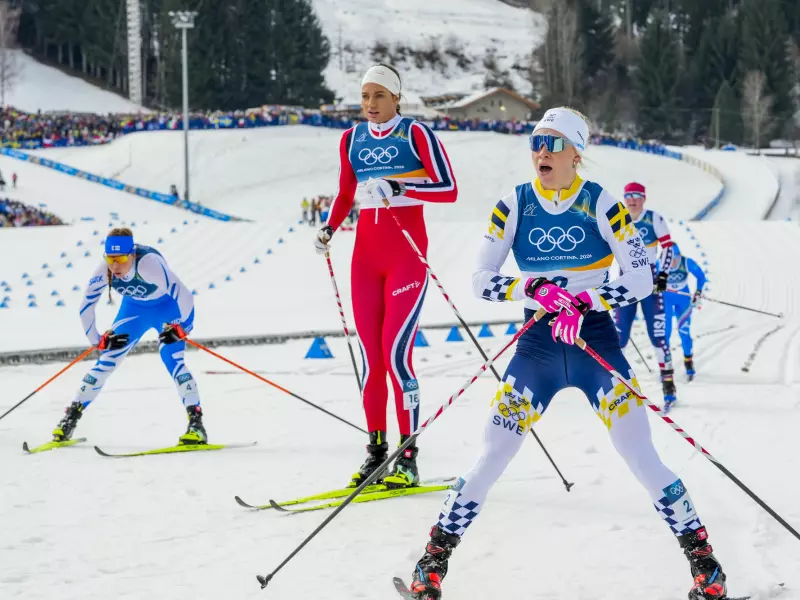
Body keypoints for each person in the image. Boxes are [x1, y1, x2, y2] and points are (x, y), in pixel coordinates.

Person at [405, 108, 727, 600]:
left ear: (578, 153)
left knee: (640, 455)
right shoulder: (513, 203)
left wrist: (584, 300)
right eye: (536, 142)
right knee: (493, 453)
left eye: (553, 144)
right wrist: (534, 287)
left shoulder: (603, 203)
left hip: (594, 341)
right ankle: (432, 564)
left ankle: (706, 567)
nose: (541, 152)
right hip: (538, 345)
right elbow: (480, 280)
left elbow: (639, 278)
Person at [314, 63, 457, 489]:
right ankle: (376, 454)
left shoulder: (415, 134)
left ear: (396, 97)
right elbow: (345, 193)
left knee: (397, 357)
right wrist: (328, 227)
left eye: (379, 96)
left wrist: (399, 187)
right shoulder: (351, 139)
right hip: (365, 258)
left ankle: (408, 457)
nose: (371, 105)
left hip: (406, 257)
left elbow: (448, 187)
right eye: (364, 97)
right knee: (372, 361)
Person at [51, 227, 205, 445]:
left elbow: (185, 296)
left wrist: (183, 328)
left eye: (121, 259)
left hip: (166, 308)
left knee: (172, 359)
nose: (115, 266)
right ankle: (70, 418)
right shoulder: (103, 270)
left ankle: (196, 425)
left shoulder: (148, 264)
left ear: (132, 254)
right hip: (134, 311)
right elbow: (86, 306)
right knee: (107, 360)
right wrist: (98, 340)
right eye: (110, 259)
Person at [613, 181, 677, 405]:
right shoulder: (619, 218)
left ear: (643, 199)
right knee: (618, 337)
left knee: (657, 336)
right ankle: (614, 384)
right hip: (626, 281)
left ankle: (668, 383)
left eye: (636, 196)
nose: (631, 200)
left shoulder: (653, 219)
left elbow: (669, 247)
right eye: (628, 196)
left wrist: (663, 275)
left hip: (650, 280)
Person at [661, 243, 706, 383]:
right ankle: (666, 367)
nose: (673, 262)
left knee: (684, 332)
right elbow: (647, 278)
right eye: (670, 259)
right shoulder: (659, 263)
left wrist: (698, 292)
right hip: (666, 300)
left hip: (683, 300)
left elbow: (701, 276)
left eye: (675, 258)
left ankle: (688, 361)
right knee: (665, 334)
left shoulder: (687, 262)